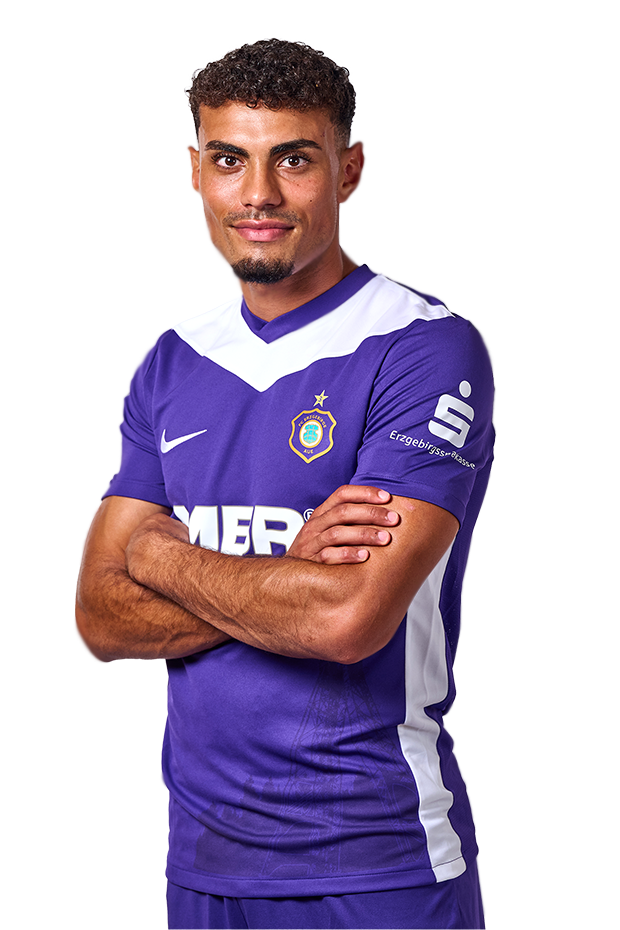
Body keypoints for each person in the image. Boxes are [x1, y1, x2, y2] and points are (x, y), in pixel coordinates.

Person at [75, 37, 495, 930]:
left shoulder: (424, 347)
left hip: (377, 861)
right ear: (197, 171)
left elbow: (344, 621)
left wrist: (160, 557)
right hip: (203, 861)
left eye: (294, 160)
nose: (258, 194)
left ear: (351, 169)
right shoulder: (171, 362)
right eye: (230, 159)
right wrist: (287, 578)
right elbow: (99, 619)